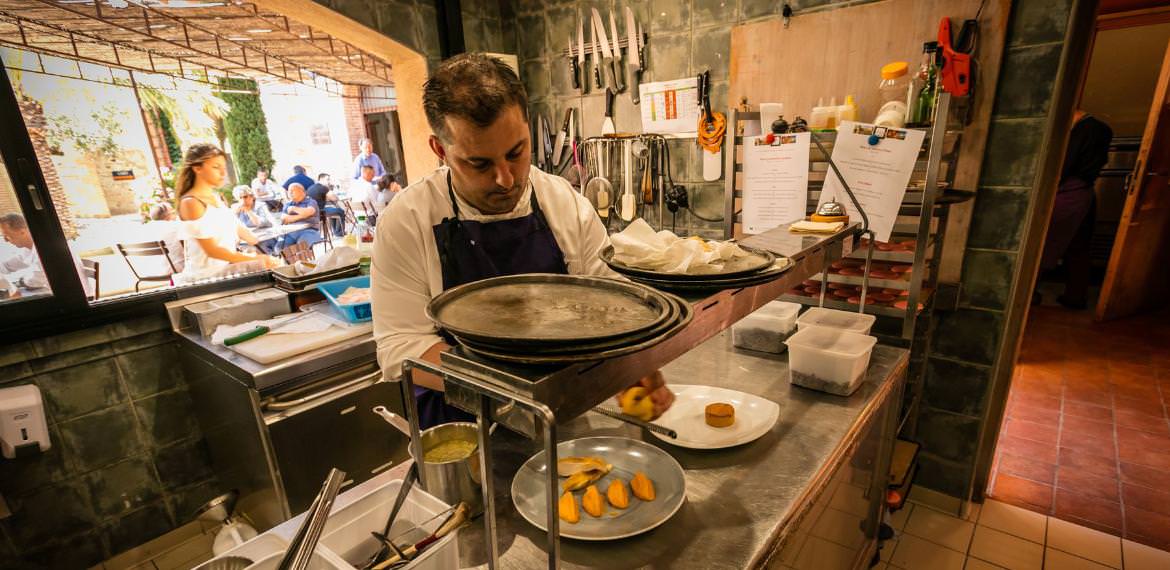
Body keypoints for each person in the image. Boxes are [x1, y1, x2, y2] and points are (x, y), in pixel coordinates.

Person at [370, 53, 673, 429]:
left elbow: (610, 301)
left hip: (560, 416)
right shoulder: (408, 221)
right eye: (479, 164)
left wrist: (633, 363)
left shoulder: (563, 202)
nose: (506, 179)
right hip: (463, 429)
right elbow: (401, 347)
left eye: (517, 153)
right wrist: (515, 391)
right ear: (440, 150)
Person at [1038, 110, 1112, 309]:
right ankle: (1075, 297)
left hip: (1068, 193)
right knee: (1078, 247)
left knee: (1043, 242)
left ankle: (1029, 293)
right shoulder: (1102, 129)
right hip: (1086, 192)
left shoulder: (1081, 131)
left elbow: (1062, 167)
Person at [176, 144, 278, 283]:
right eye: (216, 167)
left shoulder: (216, 198)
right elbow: (213, 251)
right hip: (206, 278)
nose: (223, 173)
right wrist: (255, 259)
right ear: (197, 168)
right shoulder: (190, 202)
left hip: (224, 271)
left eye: (224, 167)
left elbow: (242, 232)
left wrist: (265, 252)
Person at [0, 213, 92, 297]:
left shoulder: (47, 247)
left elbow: (36, 281)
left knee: (9, 300)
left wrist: (20, 282)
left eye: (7, 236)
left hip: (71, 298)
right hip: (49, 292)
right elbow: (8, 265)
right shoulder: (29, 248)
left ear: (22, 232)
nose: (5, 240)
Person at [232, 187, 279, 255]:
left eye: (245, 197)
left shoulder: (260, 205)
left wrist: (248, 211)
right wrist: (235, 213)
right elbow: (235, 227)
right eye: (240, 198)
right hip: (250, 241)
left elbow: (260, 222)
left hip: (267, 238)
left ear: (252, 196)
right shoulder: (238, 209)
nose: (243, 200)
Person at [278, 183, 323, 250]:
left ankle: (302, 260)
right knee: (279, 248)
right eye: (289, 191)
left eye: (292, 190)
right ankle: (290, 260)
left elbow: (309, 212)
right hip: (291, 232)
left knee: (301, 248)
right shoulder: (288, 204)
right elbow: (284, 218)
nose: (289, 193)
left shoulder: (311, 201)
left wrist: (293, 209)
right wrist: (303, 216)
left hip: (309, 231)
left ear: (302, 191)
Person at [148, 202, 186, 273]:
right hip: (181, 269)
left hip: (160, 271)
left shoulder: (150, 231)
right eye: (173, 212)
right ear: (168, 215)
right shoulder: (175, 226)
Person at [307, 173, 346, 237]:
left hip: (312, 213)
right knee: (340, 211)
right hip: (321, 212)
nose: (329, 182)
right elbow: (335, 198)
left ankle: (336, 231)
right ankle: (339, 233)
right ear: (321, 179)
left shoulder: (311, 187)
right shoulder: (323, 188)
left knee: (333, 209)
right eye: (327, 179)